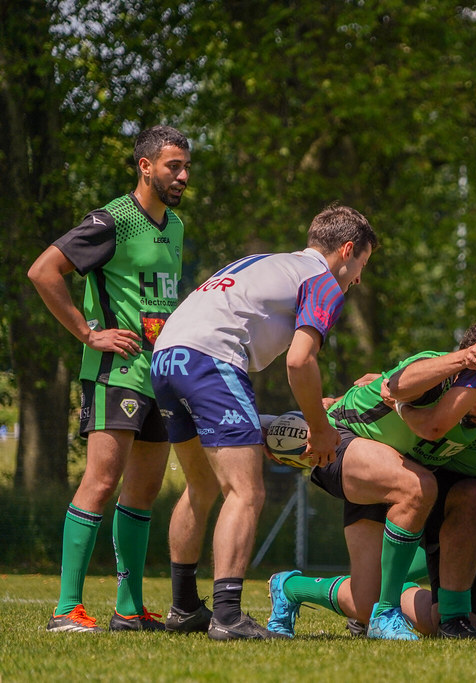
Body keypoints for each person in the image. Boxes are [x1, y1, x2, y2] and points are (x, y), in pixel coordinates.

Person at [150, 203, 377, 640]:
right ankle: (228, 616)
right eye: (362, 265)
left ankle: (183, 607)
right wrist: (320, 429)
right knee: (247, 491)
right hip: (210, 359)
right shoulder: (323, 282)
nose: (358, 279)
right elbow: (299, 361)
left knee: (201, 486)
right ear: (347, 250)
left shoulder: (270, 263)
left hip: (165, 356)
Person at [28, 125, 192, 633]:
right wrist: (87, 333)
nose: (183, 176)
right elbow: (43, 271)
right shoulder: (111, 219)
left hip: (159, 376)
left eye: (186, 167)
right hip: (115, 373)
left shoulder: (176, 226)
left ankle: (129, 608)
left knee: (143, 490)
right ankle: (65, 609)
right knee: (100, 482)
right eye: (173, 166)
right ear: (145, 166)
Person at [266, 333, 476, 641]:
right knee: (417, 487)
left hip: (393, 468)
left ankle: (290, 588)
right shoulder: (439, 375)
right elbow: (396, 388)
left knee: (365, 603)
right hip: (345, 442)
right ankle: (386, 612)